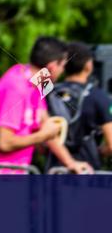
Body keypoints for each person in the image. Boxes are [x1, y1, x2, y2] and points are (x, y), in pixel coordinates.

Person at [0, 36, 92, 174]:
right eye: (62, 66)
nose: (63, 71)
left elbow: (46, 127)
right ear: (52, 66)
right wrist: (42, 136)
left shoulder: (37, 84)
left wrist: (70, 163)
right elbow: (4, 143)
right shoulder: (15, 88)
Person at [46, 42, 112, 171]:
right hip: (87, 171)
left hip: (54, 170)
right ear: (88, 65)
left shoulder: (49, 92)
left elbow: (41, 142)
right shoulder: (98, 96)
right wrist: (99, 152)